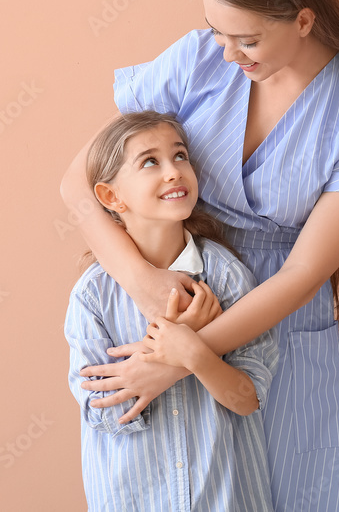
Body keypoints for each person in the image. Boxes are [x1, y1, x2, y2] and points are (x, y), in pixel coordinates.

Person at [60, 0, 339, 510]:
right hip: (173, 298)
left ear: (305, 20)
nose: (228, 53)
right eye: (217, 31)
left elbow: (302, 273)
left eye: (248, 40)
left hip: (279, 328)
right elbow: (80, 185)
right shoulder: (200, 59)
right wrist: (145, 283)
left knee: (292, 491)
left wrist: (186, 358)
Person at [64, 110, 279, 511]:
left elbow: (247, 398)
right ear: (111, 196)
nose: (173, 171)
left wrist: (194, 353)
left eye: (180, 156)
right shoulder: (94, 296)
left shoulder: (227, 277)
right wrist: (167, 343)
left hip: (227, 498)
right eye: (150, 161)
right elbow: (105, 412)